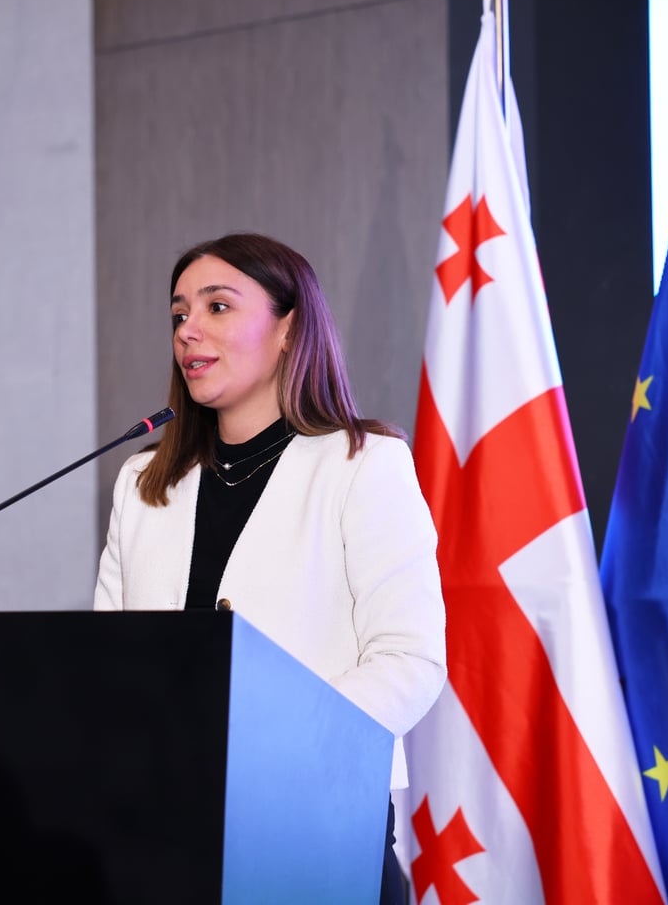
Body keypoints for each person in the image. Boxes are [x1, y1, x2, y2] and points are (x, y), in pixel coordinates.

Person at [94, 232, 446, 904]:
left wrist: (271, 745)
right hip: (162, 826)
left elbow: (411, 660)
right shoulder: (143, 482)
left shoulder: (363, 464)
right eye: (178, 314)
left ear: (289, 329)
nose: (188, 330)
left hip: (312, 824)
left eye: (217, 307)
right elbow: (107, 661)